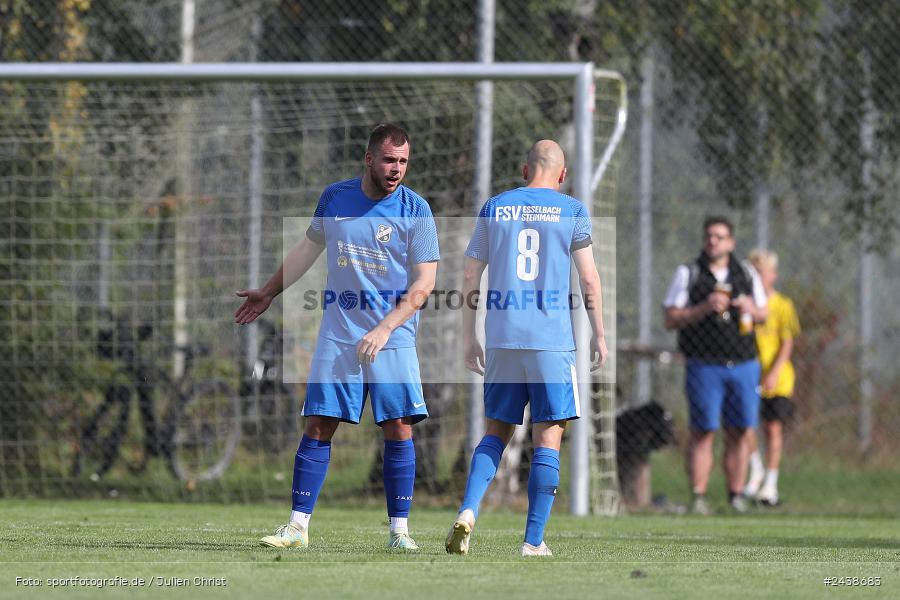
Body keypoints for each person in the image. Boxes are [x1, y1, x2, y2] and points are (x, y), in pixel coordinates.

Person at [234, 123, 439, 551]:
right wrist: (268, 292)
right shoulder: (335, 197)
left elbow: (423, 286)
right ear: (369, 159)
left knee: (399, 427)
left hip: (393, 337)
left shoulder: (416, 210)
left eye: (403, 161)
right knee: (319, 423)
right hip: (341, 333)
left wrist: (385, 328)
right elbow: (307, 250)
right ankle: (297, 527)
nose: (396, 168)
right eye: (388, 159)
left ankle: (399, 533)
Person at [445, 140, 608, 557]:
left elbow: (469, 274)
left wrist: (470, 336)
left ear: (524, 170)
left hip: (503, 337)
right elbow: (590, 280)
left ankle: (467, 510)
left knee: (496, 432)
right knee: (548, 437)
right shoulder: (571, 210)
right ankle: (533, 541)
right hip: (551, 342)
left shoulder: (495, 207)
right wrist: (599, 333)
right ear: (562, 174)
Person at [663, 216, 767, 514]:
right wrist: (704, 308)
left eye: (720, 237)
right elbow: (670, 318)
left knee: (739, 430)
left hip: (744, 363)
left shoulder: (745, 272)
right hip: (704, 364)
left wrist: (750, 309)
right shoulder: (690, 273)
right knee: (703, 430)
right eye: (709, 236)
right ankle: (698, 496)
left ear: (731, 242)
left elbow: (764, 314)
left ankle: (736, 495)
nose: (714, 241)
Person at [742, 249, 800, 506]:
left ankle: (771, 485)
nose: (756, 277)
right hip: (750, 374)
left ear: (772, 276)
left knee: (772, 427)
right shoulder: (746, 305)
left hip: (778, 377)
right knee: (744, 424)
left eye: (761, 272)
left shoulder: (783, 305)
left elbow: (787, 344)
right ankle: (756, 468)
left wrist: (774, 372)